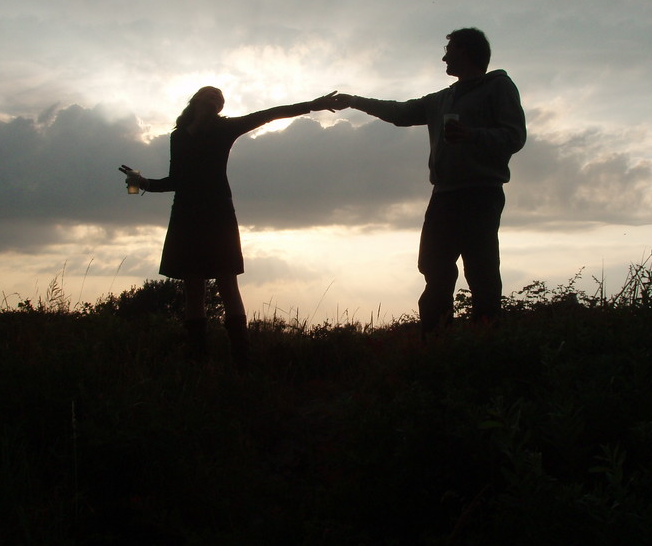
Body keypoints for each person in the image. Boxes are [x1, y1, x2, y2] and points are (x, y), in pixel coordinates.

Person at [121, 86, 341, 370]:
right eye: (210, 94)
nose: (216, 99)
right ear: (196, 100)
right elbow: (176, 180)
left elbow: (270, 114)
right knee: (193, 287)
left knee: (227, 283)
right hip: (186, 214)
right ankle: (197, 358)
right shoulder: (178, 136)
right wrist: (138, 181)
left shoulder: (225, 129)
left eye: (220, 97)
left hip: (218, 213)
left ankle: (242, 359)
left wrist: (313, 104)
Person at [332, 28, 526, 335]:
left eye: (449, 50)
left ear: (465, 52)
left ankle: (486, 342)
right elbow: (400, 112)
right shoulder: (442, 99)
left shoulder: (499, 87)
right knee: (434, 269)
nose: (444, 57)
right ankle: (435, 340)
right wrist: (355, 101)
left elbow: (514, 137)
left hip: (482, 193)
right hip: (444, 195)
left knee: (481, 272)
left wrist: (472, 135)